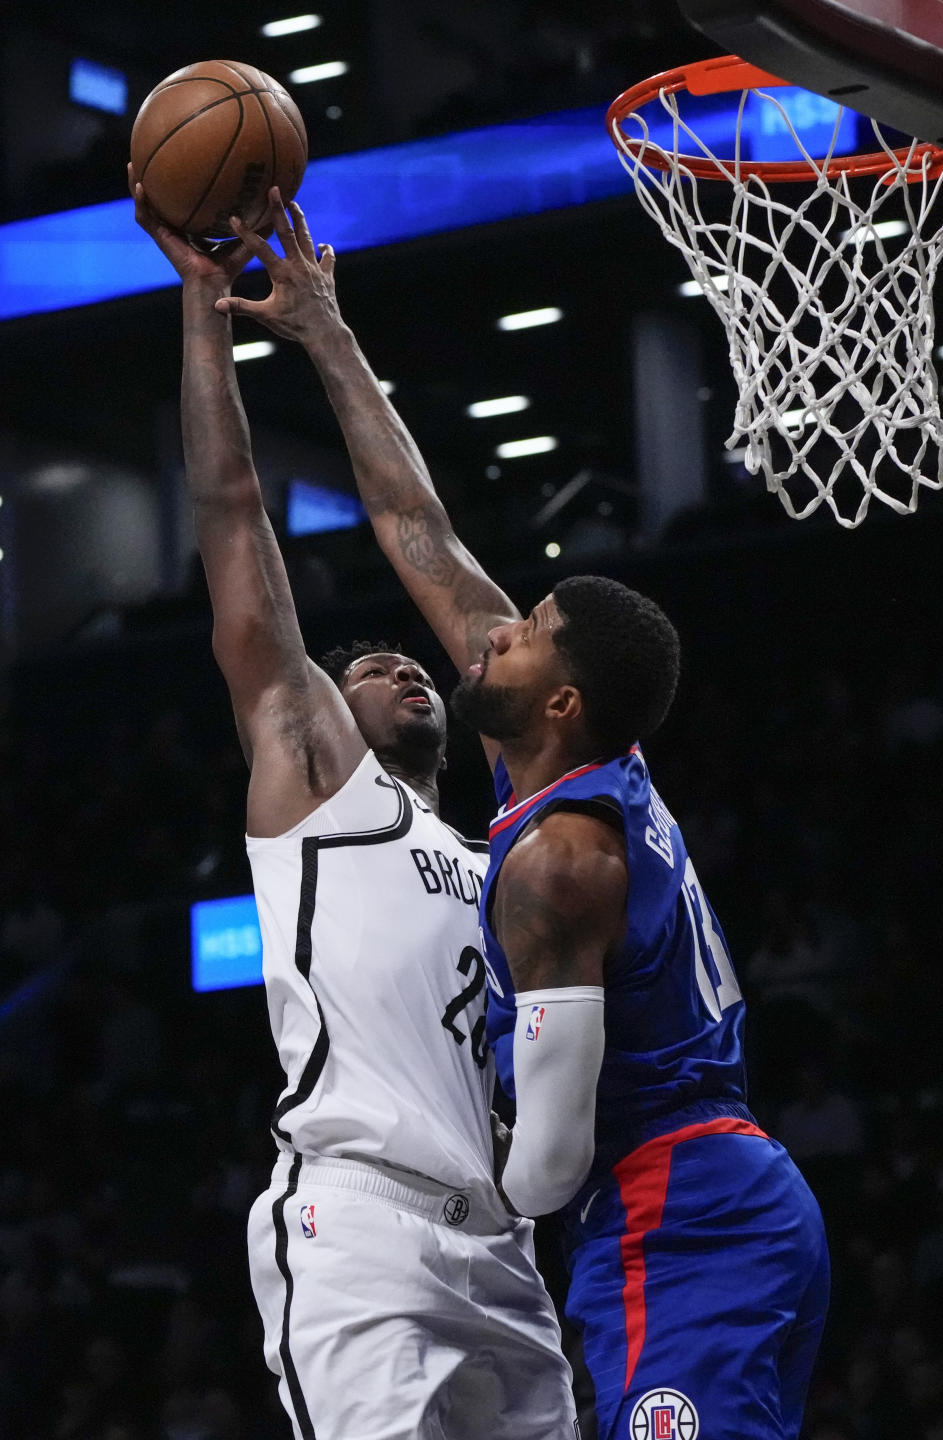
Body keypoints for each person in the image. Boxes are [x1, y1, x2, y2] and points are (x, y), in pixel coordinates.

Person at [215, 187, 831, 1440]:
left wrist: (441, 1191)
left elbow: (546, 1171)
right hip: (718, 1194)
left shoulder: (556, 857)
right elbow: (417, 528)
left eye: (524, 633)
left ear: (554, 698)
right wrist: (328, 332)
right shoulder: (577, 765)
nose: (493, 629)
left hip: (675, 1211)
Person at [130, 175, 578, 1440]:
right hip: (365, 1233)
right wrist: (203, 315)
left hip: (508, 1251)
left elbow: (425, 531)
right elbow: (231, 516)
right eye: (365, 660)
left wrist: (329, 328)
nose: (395, 663)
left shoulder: (504, 840)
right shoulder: (318, 775)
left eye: (410, 660)